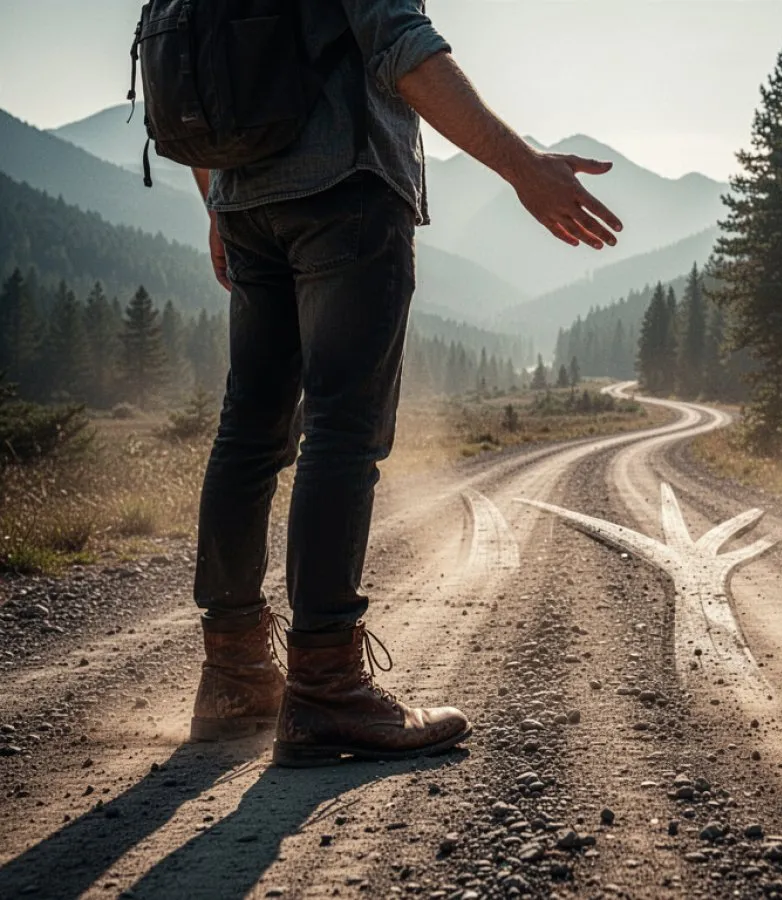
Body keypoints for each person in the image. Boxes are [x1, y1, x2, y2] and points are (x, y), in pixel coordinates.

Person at [186, 0, 622, 767]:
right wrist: (525, 169)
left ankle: (234, 674)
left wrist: (219, 201)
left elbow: (193, 69)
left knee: (248, 432)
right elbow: (401, 43)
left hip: (244, 197)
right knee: (342, 432)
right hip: (344, 189)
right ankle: (324, 685)